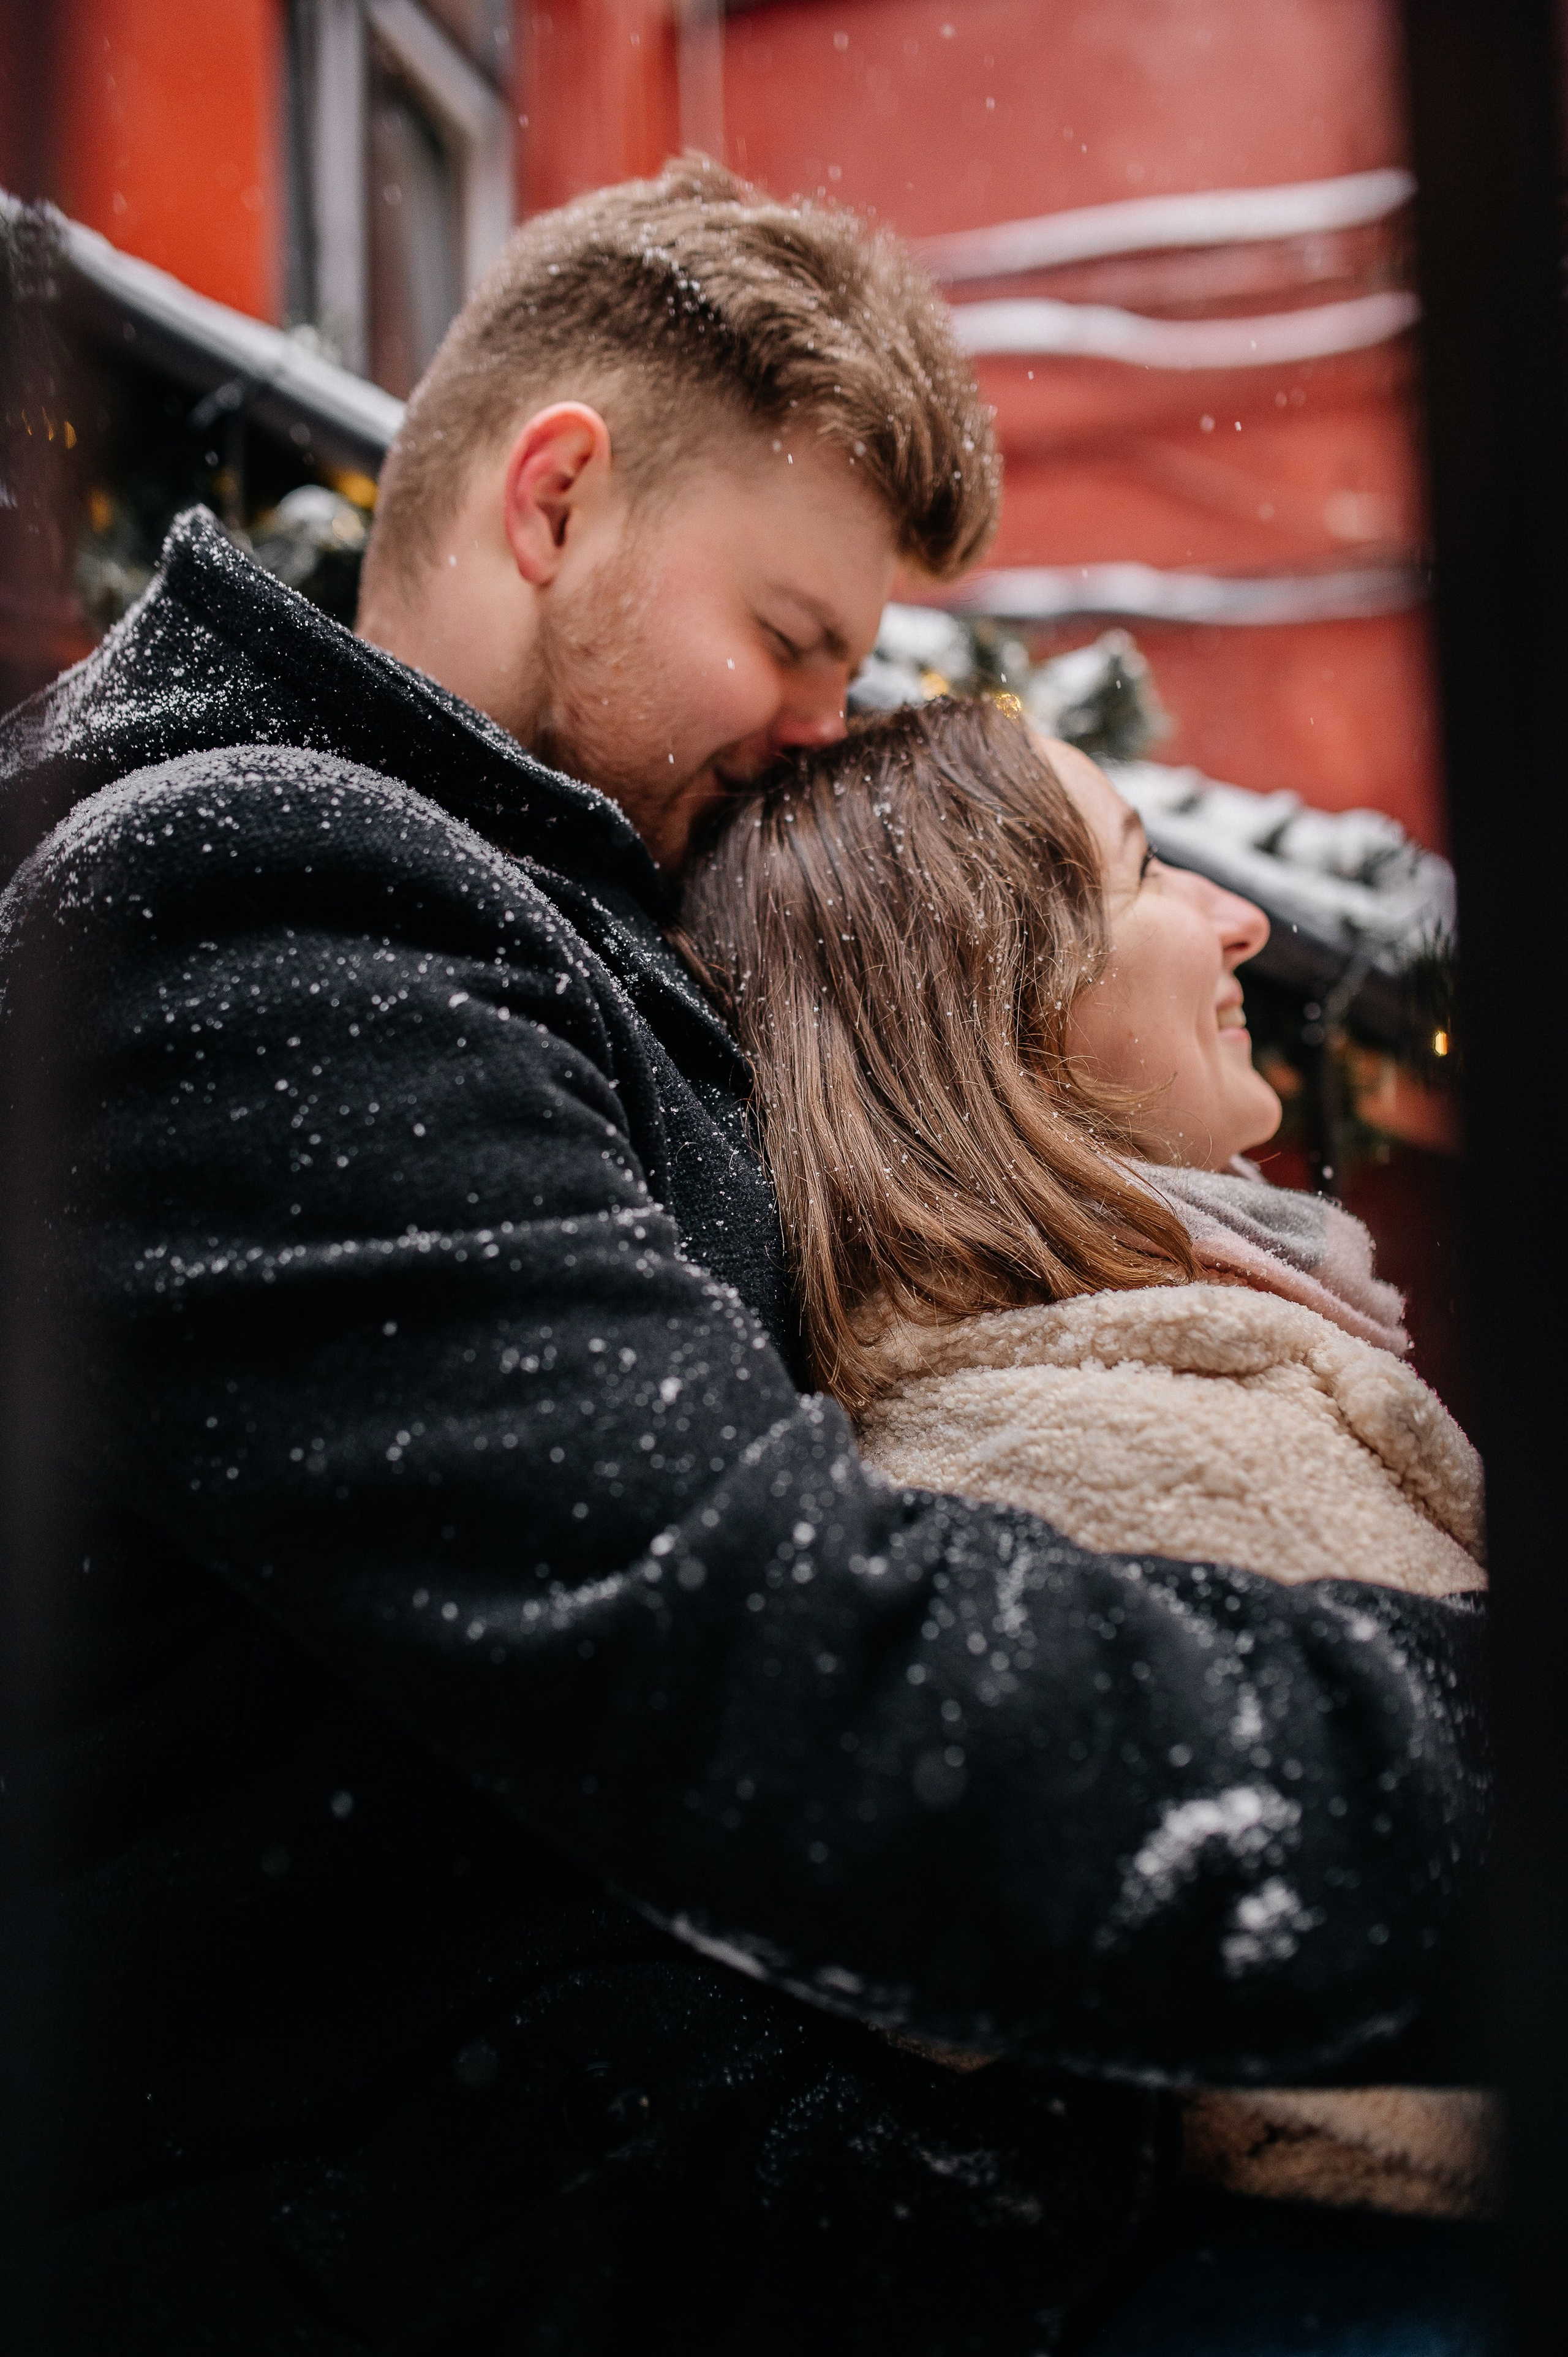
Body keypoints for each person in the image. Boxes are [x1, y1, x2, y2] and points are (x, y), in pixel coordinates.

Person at [0, 164, 1486, 2354]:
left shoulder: (538, 916)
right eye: (795, 640)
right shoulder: (244, 895)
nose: (824, 726)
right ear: (560, 497)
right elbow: (761, 1654)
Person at [679, 695, 1497, 2345]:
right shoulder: (1057, 1455)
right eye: (1144, 872)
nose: (1239, 915)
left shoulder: (1183, 1357)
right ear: (1003, 1008)